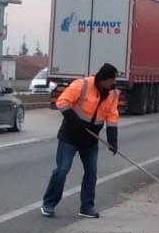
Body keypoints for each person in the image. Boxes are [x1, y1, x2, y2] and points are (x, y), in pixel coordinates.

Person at [40, 62, 120, 218]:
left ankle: (87, 207)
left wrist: (113, 140)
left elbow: (112, 116)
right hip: (70, 135)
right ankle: (49, 204)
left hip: (90, 139)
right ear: (103, 79)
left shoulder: (113, 94)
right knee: (62, 170)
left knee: (91, 172)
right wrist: (75, 122)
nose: (114, 83)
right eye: (112, 80)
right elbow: (62, 102)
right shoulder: (82, 85)